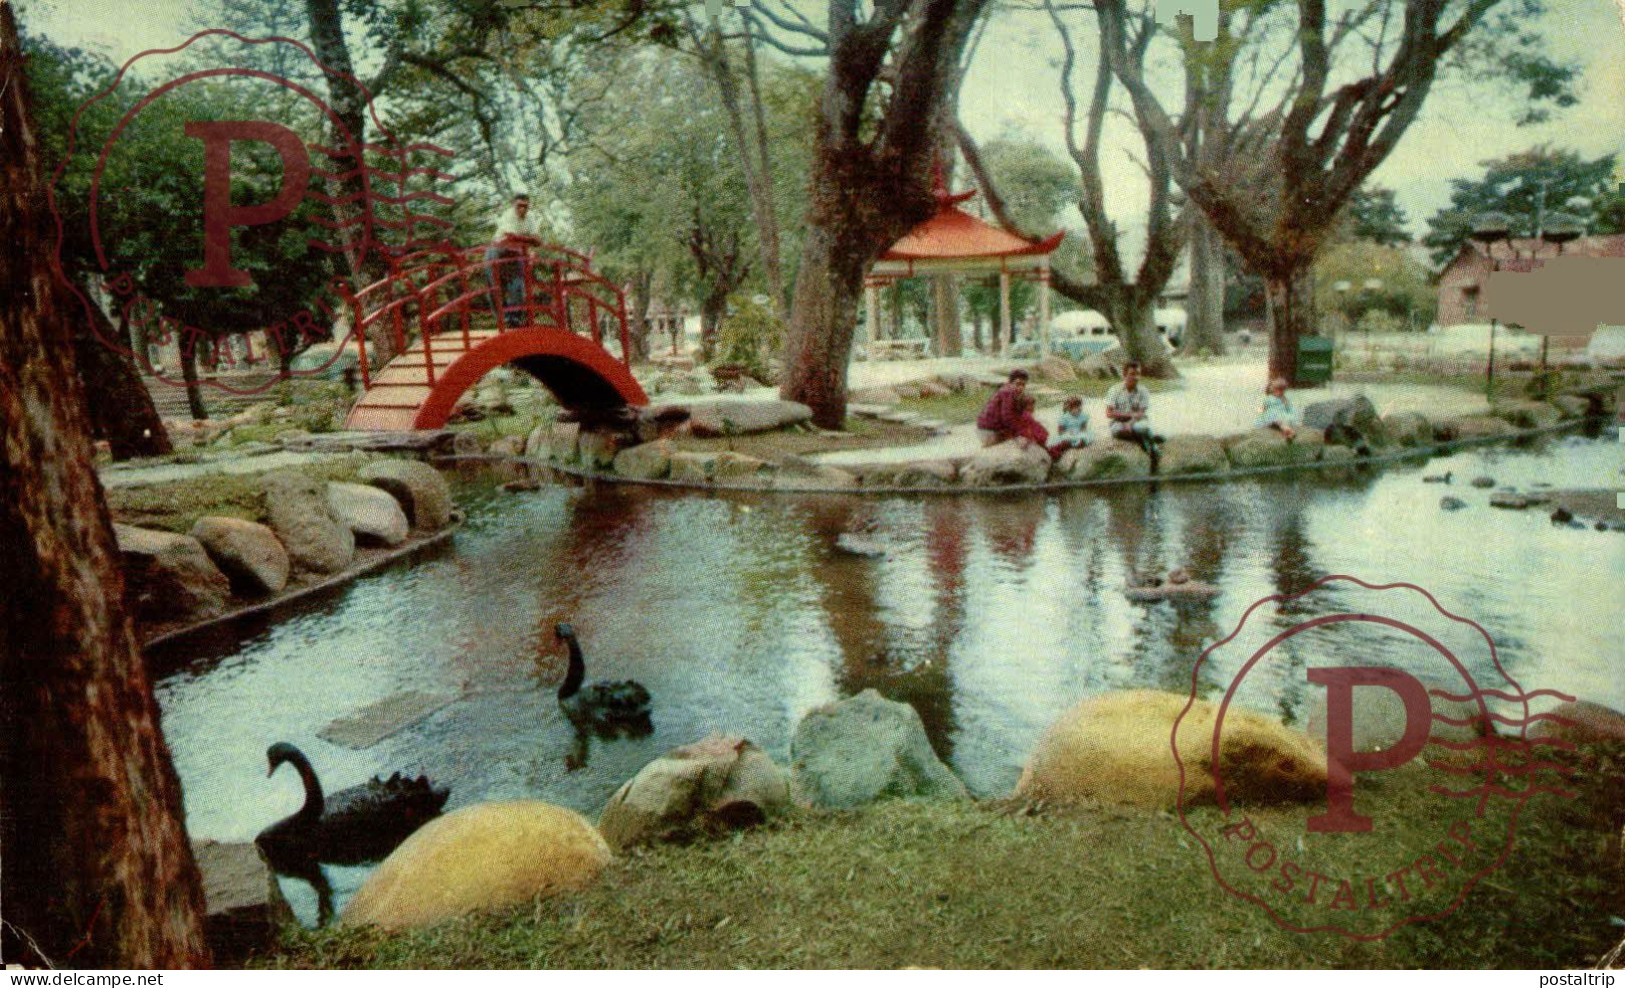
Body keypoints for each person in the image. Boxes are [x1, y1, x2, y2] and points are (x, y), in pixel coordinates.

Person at [486, 193, 543, 327]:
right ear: (513, 206)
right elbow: (511, 237)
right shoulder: (508, 215)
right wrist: (530, 240)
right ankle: (501, 319)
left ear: (529, 206)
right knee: (495, 287)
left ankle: (514, 318)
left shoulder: (531, 218)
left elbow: (538, 240)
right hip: (498, 251)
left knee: (518, 284)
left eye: (525, 206)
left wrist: (525, 240)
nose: (522, 209)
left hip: (515, 252)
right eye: (519, 206)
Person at [1105, 361, 1162, 470]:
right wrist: (1128, 416)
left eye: (1138, 374)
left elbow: (1141, 413)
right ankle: (1149, 439)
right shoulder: (1114, 390)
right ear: (1124, 375)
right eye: (1132, 374)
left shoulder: (1143, 391)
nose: (1135, 377)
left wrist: (1130, 423)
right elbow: (1109, 413)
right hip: (1118, 422)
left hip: (1137, 422)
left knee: (1141, 427)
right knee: (1117, 430)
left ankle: (1153, 449)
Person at [976, 369, 1031, 447]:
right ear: (1010, 383)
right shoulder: (1008, 392)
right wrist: (1020, 430)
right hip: (989, 430)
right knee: (1022, 438)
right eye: (1018, 384)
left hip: (988, 429)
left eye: (1023, 385)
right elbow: (1007, 417)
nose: (1020, 388)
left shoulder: (1011, 392)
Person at [1049, 395, 1091, 460]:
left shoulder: (1083, 416)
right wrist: (1068, 432)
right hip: (1067, 434)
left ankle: (1077, 445)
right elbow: (1060, 431)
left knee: (1083, 439)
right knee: (1065, 442)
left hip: (1078, 434)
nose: (1077, 409)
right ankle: (1066, 447)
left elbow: (1083, 428)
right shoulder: (1064, 418)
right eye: (1074, 408)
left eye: (1079, 407)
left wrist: (1080, 433)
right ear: (1069, 408)